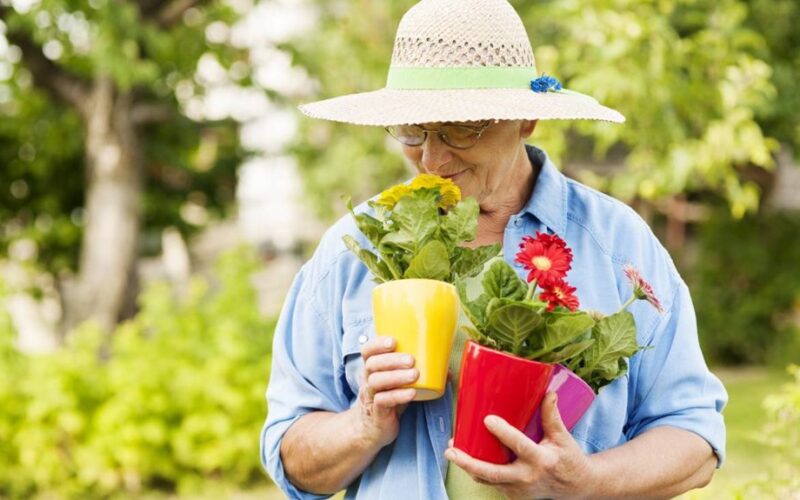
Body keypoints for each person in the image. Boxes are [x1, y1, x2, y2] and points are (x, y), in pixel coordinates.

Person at [260, 0, 727, 498]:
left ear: (527, 120)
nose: (433, 159)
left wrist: (587, 482)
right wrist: (362, 424)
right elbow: (291, 457)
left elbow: (694, 437)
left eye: (462, 128)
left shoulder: (617, 245)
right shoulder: (353, 251)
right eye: (413, 130)